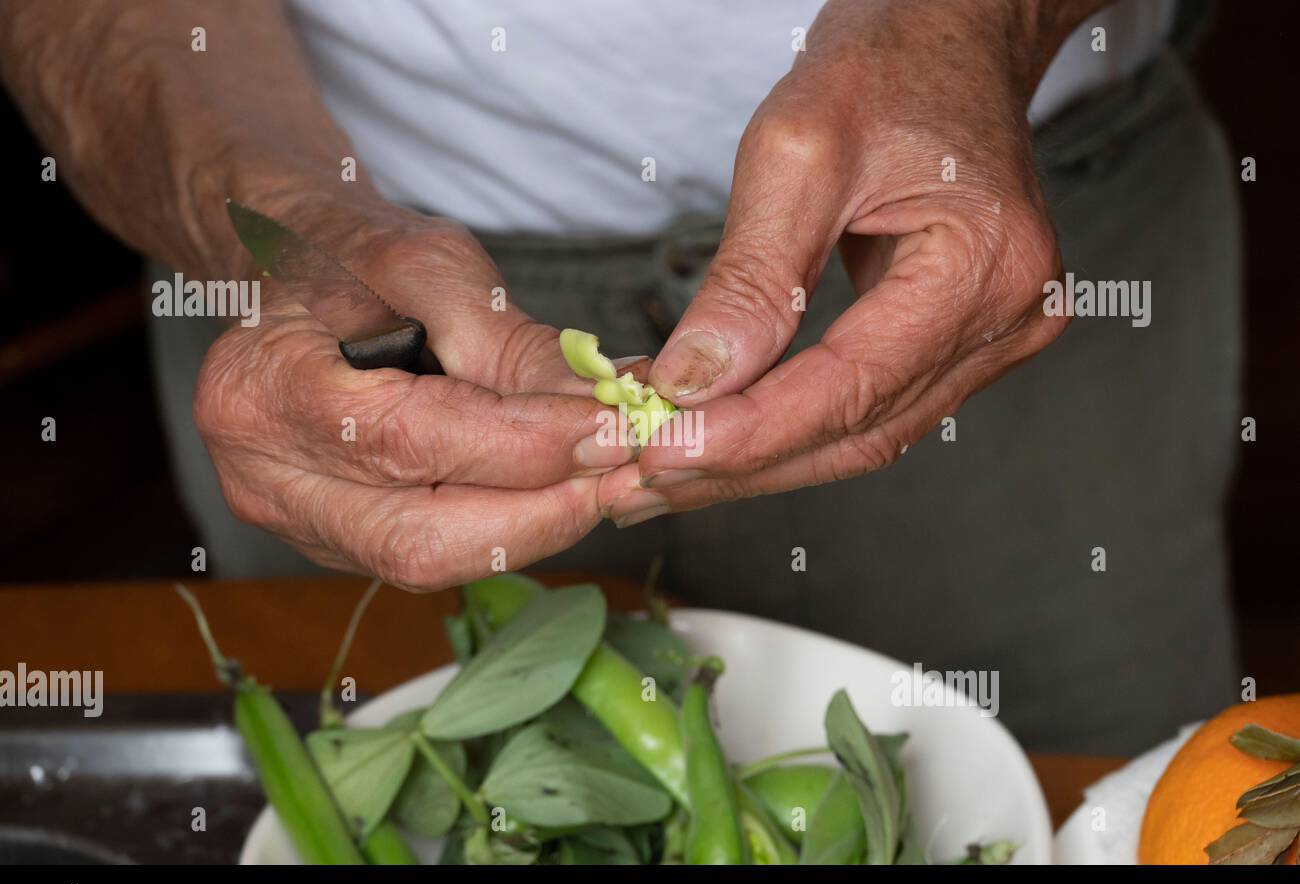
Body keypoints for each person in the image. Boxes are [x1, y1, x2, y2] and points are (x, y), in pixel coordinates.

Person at [0, 0, 1239, 754]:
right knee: (410, 777)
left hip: (994, 222)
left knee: (1090, 804)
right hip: (355, 297)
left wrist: (971, 23)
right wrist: (279, 233)